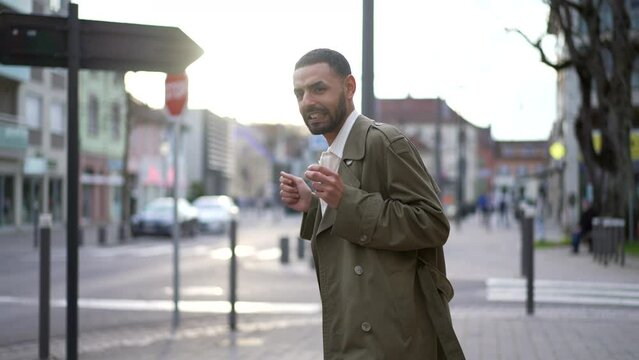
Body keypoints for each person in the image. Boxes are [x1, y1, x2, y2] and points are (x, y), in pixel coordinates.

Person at [279, 49, 464, 360]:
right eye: (300, 93)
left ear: (349, 87)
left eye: (319, 88)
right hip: (356, 330)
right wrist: (313, 206)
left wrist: (345, 200)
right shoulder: (333, 156)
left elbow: (432, 223)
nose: (307, 101)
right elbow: (353, 231)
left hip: (392, 340)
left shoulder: (385, 142)